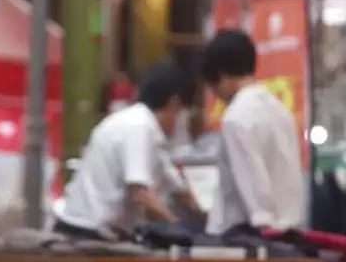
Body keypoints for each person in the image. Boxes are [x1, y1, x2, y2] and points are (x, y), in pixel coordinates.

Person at [53, 61, 202, 240]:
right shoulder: (138, 126)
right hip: (87, 234)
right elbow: (141, 194)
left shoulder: (147, 129)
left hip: (103, 232)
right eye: (183, 112)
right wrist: (182, 231)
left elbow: (178, 188)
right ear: (174, 103)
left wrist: (205, 221)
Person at [198, 29, 305, 234]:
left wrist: (264, 227)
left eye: (213, 87)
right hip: (289, 234)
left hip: (245, 242)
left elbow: (255, 189)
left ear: (221, 75)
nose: (217, 96)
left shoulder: (235, 118)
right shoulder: (280, 110)